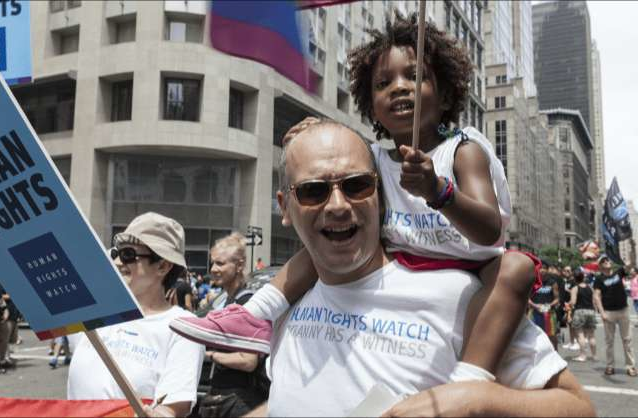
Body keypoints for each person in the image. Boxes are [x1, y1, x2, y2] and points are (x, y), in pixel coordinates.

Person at [172, 11, 539, 383]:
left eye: (415, 76)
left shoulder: (462, 150)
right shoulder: (376, 160)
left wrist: (438, 191)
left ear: (445, 94)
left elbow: (489, 230)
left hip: (471, 267)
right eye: (383, 83)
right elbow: (345, 160)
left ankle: (472, 379)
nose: (399, 87)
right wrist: (324, 132)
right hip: (399, 264)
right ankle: (257, 314)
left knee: (516, 268)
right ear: (370, 103)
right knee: (332, 237)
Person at [216, 114, 591, 415]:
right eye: (314, 191)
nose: (337, 205)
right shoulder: (288, 302)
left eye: (356, 185)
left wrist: (475, 400)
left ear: (379, 195)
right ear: (284, 207)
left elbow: (577, 408)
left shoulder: (463, 298)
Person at [67, 212, 204, 418]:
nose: (118, 262)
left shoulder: (183, 327)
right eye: (116, 253)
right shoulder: (94, 313)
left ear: (163, 266)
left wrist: (160, 414)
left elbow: (173, 406)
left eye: (128, 255)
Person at [198, 233, 269, 417]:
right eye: (213, 263)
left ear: (239, 266)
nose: (213, 269)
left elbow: (248, 360)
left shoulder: (247, 303)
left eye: (220, 263)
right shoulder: (227, 300)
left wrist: (211, 355)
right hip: (224, 396)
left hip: (239, 401)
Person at [593, 255, 636, 376]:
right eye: (603, 261)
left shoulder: (618, 273)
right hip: (609, 313)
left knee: (627, 340)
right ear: (600, 266)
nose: (607, 261)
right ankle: (610, 365)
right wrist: (602, 313)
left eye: (607, 260)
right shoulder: (599, 279)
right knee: (609, 342)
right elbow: (596, 296)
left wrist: (631, 251)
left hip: (623, 310)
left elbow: (629, 265)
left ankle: (630, 366)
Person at [528, 263, 560, 349]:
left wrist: (549, 305)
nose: (542, 270)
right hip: (534, 312)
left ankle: (555, 353)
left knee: (552, 335)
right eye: (540, 268)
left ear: (548, 270)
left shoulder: (552, 283)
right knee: (533, 335)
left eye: (545, 268)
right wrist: (535, 305)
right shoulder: (533, 282)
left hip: (549, 313)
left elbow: (557, 299)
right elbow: (527, 298)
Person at [569, 270, 596, 362]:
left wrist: (568, 304)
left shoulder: (575, 288)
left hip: (579, 311)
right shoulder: (590, 288)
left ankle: (582, 356)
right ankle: (594, 355)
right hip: (591, 311)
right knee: (591, 335)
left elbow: (573, 302)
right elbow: (594, 301)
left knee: (580, 335)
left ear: (575, 279)